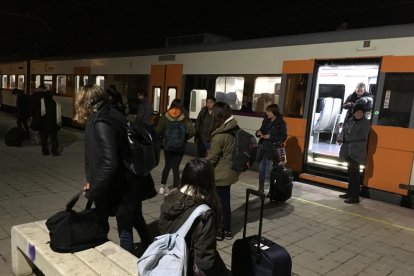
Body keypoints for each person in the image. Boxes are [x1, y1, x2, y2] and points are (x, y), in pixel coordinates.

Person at [158, 158, 232, 276]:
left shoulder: (169, 199)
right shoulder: (205, 213)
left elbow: (162, 231)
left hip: (167, 263)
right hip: (186, 268)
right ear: (208, 181)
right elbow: (205, 262)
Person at [74, 84, 129, 237]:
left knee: (119, 228)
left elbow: (109, 162)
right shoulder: (112, 113)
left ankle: (125, 258)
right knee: (131, 222)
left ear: (85, 102)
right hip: (119, 181)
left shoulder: (100, 122)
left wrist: (94, 188)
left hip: (112, 185)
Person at [208, 102, 239, 241]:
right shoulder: (234, 127)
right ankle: (227, 230)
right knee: (225, 202)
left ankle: (219, 230)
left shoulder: (219, 135)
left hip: (220, 173)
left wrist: (202, 165)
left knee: (218, 203)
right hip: (230, 170)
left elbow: (213, 158)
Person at [155, 98, 195, 194]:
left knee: (167, 165)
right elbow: (193, 131)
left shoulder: (165, 116)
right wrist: (184, 139)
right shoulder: (184, 116)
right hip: (180, 147)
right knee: (175, 167)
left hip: (168, 146)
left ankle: (162, 187)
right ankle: (175, 188)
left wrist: (165, 137)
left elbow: (157, 131)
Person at [337, 104, 371, 204]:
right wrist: (340, 137)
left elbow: (362, 137)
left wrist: (346, 139)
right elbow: (343, 131)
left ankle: (355, 197)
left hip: (357, 152)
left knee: (355, 175)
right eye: (357, 112)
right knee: (351, 174)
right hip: (348, 151)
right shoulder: (350, 120)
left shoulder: (365, 123)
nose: (359, 114)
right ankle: (349, 193)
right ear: (354, 112)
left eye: (361, 112)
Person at [255, 104, 287, 193]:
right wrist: (258, 133)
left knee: (270, 170)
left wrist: (270, 137)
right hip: (264, 148)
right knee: (261, 169)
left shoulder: (281, 123)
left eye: (269, 111)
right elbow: (261, 130)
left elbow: (283, 137)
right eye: (267, 111)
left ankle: (272, 190)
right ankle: (260, 188)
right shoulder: (266, 120)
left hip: (273, 150)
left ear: (274, 112)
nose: (267, 113)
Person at [31, 89, 61, 156]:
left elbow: (36, 112)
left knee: (44, 139)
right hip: (52, 124)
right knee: (54, 138)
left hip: (42, 124)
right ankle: (54, 151)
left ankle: (45, 151)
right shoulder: (54, 103)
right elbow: (57, 115)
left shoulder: (40, 102)